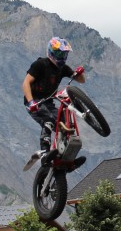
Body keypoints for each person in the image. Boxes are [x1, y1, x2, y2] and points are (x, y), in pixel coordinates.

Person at [22, 36, 86, 170]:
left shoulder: (62, 69)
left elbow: (81, 80)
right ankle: (45, 152)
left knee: (65, 122)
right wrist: (31, 102)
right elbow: (26, 83)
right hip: (35, 102)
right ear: (52, 52)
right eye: (59, 54)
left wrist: (79, 73)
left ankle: (68, 160)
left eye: (64, 54)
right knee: (49, 120)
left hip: (49, 102)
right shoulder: (40, 64)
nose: (62, 57)